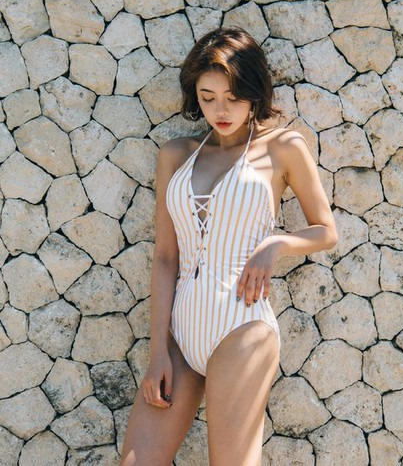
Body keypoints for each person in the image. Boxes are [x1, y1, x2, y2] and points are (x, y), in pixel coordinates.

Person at [120, 26, 338, 465]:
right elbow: (165, 257)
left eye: (233, 97)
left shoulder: (283, 147)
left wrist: (276, 243)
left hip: (242, 327)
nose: (220, 110)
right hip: (181, 336)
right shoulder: (176, 154)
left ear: (254, 93)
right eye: (208, 97)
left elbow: (325, 231)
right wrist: (158, 352)